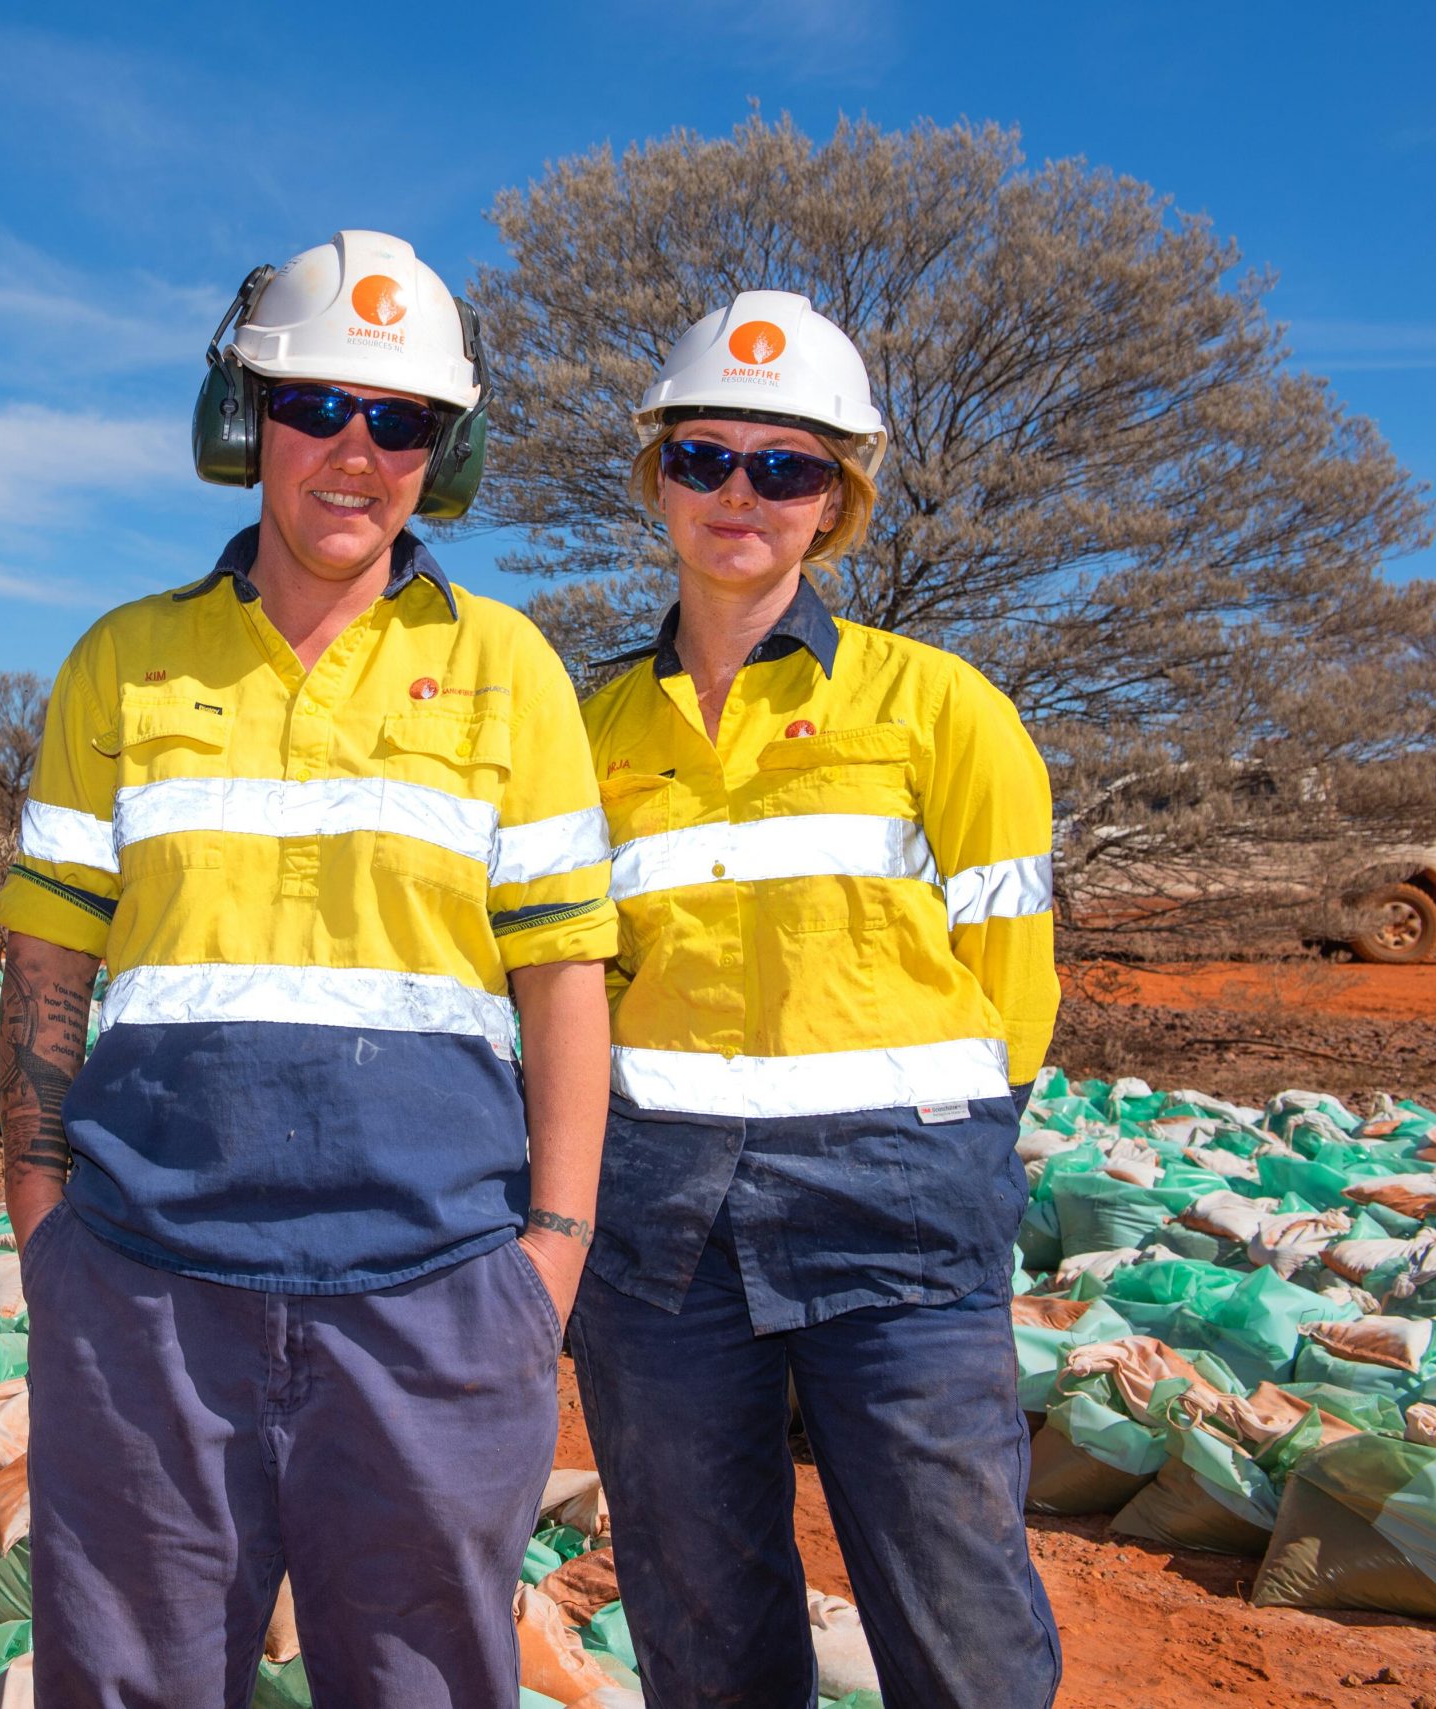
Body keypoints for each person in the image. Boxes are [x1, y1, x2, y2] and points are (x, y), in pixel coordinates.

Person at [0, 230, 617, 1708]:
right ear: (242, 422)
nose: (355, 452)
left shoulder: (510, 668)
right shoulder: (122, 662)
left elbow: (565, 978)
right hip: (144, 1293)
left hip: (438, 1300)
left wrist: (553, 1260)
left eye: (402, 421)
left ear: (442, 456)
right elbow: (47, 954)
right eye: (315, 406)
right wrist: (43, 1220)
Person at [569, 290, 1063, 1709]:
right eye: (704, 457)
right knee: (699, 1620)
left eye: (785, 466)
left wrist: (952, 1152)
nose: (741, 493)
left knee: (958, 1624)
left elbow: (1011, 984)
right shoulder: (582, 733)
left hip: (899, 1216)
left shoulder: (943, 707)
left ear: (836, 499)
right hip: (657, 1231)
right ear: (656, 476)